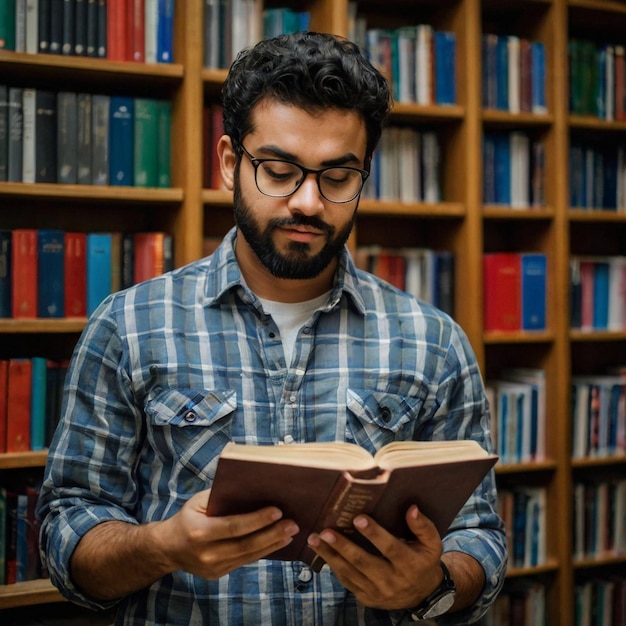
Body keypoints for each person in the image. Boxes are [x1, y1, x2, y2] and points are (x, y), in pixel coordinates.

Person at [37, 31, 507, 625]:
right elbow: (64, 530)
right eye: (280, 170)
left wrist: (432, 585)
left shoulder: (434, 343)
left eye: (338, 177)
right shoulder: (128, 326)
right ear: (230, 162)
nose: (308, 201)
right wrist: (160, 546)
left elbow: (480, 537)